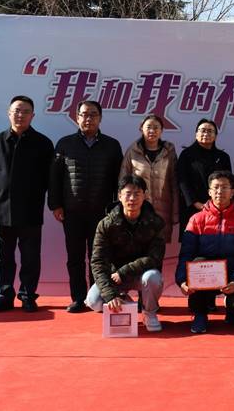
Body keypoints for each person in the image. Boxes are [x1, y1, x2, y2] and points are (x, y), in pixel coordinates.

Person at [49, 100, 123, 313]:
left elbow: (118, 181)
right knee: (75, 257)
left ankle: (96, 298)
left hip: (102, 212)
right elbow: (54, 178)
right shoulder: (65, 144)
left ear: (100, 118)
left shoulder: (112, 145)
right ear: (77, 117)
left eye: (93, 114)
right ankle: (78, 298)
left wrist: (116, 209)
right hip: (72, 212)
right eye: (84, 114)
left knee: (98, 257)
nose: (88, 118)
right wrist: (56, 205)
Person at [0, 96, 54, 313]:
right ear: (9, 113)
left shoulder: (43, 143)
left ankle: (27, 296)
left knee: (30, 257)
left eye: (25, 111)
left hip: (30, 210)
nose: (20, 115)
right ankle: (3, 296)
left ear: (33, 116)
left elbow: (48, 178)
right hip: (2, 210)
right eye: (16, 110)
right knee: (2, 257)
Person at [175, 171, 234, 333]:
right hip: (206, 273)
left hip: (233, 270)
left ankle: (232, 308)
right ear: (209, 192)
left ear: (232, 192)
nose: (220, 191)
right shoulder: (196, 219)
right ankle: (200, 315)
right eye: (216, 187)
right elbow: (186, 253)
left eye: (225, 187)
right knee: (197, 263)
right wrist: (182, 280)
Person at [84, 175, 165, 332]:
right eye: (128, 194)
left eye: (137, 194)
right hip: (113, 276)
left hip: (140, 274)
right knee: (94, 301)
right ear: (119, 196)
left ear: (145, 196)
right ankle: (123, 300)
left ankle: (149, 313)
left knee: (153, 278)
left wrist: (124, 271)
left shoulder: (155, 222)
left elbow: (155, 258)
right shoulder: (106, 224)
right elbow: (98, 261)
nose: (132, 198)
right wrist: (110, 295)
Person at [120, 114, 178, 243]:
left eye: (156, 127)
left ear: (161, 130)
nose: (152, 131)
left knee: (159, 247)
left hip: (163, 210)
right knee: (138, 246)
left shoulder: (169, 151)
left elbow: (174, 183)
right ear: (141, 128)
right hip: (138, 209)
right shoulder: (132, 151)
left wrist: (175, 213)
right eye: (148, 127)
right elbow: (122, 183)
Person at [177, 118, 232, 230]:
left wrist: (219, 204)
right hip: (192, 208)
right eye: (202, 130)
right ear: (196, 134)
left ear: (215, 136)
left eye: (210, 131)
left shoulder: (223, 157)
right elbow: (182, 181)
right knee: (191, 238)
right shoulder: (186, 155)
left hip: (218, 208)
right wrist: (195, 203)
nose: (206, 133)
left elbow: (229, 182)